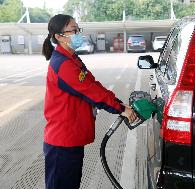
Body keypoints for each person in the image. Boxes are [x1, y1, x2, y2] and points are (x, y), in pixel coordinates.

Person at [42, 14, 137, 189]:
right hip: (62, 142)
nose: (78, 34)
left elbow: (94, 85)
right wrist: (120, 109)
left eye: (79, 29)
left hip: (71, 139)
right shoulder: (63, 64)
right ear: (59, 36)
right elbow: (91, 92)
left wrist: (120, 104)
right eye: (74, 30)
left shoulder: (72, 59)